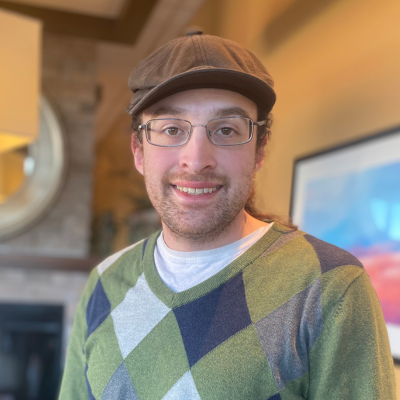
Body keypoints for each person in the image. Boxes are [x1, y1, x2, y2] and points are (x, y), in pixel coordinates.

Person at [59, 32, 396, 400]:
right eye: (171, 129)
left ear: (260, 150)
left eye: (226, 130)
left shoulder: (329, 286)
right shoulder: (105, 282)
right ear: (139, 151)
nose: (196, 160)